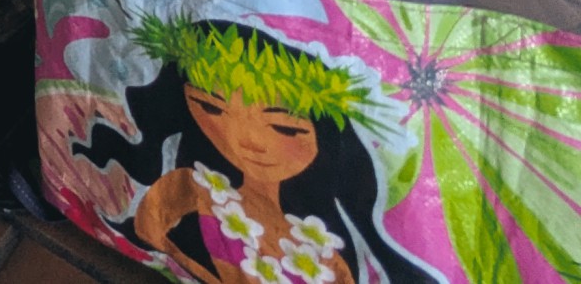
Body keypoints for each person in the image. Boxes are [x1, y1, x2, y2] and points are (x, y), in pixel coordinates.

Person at [73, 17, 438, 284]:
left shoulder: (322, 248)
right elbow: (152, 233)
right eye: (210, 108)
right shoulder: (193, 188)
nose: (247, 141)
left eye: (284, 128)